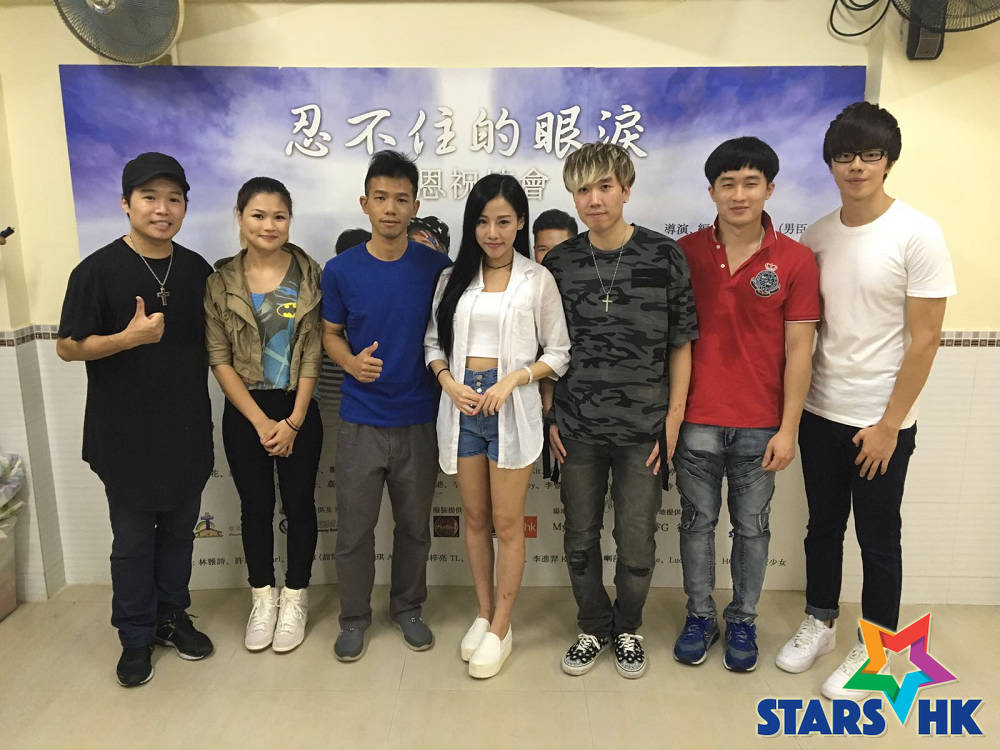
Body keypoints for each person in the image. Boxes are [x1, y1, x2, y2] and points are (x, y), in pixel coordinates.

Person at [774, 102, 956, 699]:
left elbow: (926, 339)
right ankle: (820, 623)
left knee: (878, 540)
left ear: (888, 162)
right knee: (822, 528)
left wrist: (889, 426)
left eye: (870, 155)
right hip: (820, 412)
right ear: (830, 164)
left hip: (880, 422)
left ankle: (877, 652)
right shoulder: (819, 235)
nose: (857, 166)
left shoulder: (917, 233)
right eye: (845, 156)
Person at [56, 152, 214, 687]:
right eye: (150, 198)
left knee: (179, 535)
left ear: (185, 206)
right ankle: (135, 636)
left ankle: (172, 618)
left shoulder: (197, 270)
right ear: (126, 203)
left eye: (174, 199)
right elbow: (66, 346)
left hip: (186, 431)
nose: (162, 209)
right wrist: (127, 339)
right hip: (122, 436)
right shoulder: (96, 270)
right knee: (132, 542)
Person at [543, 143, 698, 679]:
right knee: (579, 538)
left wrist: (673, 420)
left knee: (636, 542)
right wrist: (550, 415)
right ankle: (592, 626)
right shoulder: (559, 263)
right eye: (582, 190)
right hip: (577, 429)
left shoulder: (663, 255)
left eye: (605, 187)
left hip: (644, 433)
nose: (594, 199)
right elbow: (547, 348)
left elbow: (682, 343)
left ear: (626, 189)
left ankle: (628, 627)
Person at [672, 137, 819, 672]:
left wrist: (789, 428)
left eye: (750, 183)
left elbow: (800, 350)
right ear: (711, 191)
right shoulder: (683, 253)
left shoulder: (795, 260)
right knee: (695, 524)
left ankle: (742, 620)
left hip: (761, 425)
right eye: (728, 184)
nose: (739, 194)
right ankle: (699, 615)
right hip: (696, 421)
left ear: (769, 189)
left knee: (752, 528)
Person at [425, 175, 570, 678]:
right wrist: (448, 382)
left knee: (507, 524)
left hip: (511, 406)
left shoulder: (537, 279)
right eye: (483, 221)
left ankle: (503, 627)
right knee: (474, 518)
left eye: (504, 221)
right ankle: (484, 613)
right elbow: (433, 344)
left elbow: (559, 352)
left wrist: (513, 379)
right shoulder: (452, 278)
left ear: (520, 223)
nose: (493, 232)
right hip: (462, 405)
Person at [322, 151, 451, 661]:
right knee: (354, 531)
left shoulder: (436, 268)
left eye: (401, 199)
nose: (391, 208)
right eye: (381, 198)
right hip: (361, 421)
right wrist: (350, 363)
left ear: (415, 206)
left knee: (415, 528)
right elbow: (330, 334)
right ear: (365, 203)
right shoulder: (341, 270)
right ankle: (354, 618)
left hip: (420, 418)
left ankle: (408, 609)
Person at [204, 177, 323, 654]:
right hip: (245, 412)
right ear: (240, 217)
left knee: (300, 505)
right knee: (254, 507)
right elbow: (219, 359)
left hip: (298, 408)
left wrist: (293, 420)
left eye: (279, 216)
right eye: (258, 215)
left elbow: (312, 353)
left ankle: (295, 598)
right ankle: (263, 598)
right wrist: (259, 421)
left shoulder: (311, 275)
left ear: (290, 220)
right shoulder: (219, 283)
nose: (269, 225)